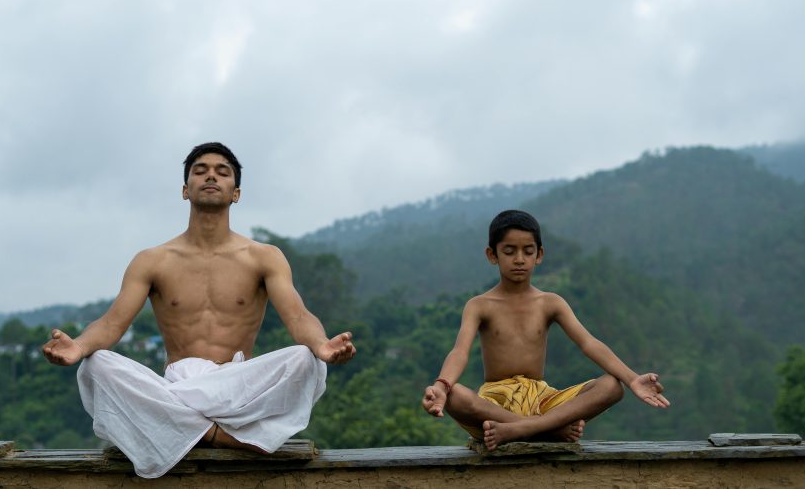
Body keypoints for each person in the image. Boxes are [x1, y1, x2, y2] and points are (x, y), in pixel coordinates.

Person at [43, 142, 356, 478]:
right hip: (177, 388)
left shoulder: (263, 256)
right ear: (184, 189)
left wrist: (321, 345)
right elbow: (111, 325)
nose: (210, 176)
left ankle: (180, 432)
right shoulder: (153, 260)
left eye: (222, 172)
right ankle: (215, 435)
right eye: (200, 170)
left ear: (235, 193)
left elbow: (297, 317)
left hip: (237, 390)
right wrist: (78, 346)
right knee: (94, 366)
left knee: (306, 360)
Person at [421, 210, 668, 450]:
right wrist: (441, 386)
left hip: (542, 400)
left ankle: (523, 428)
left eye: (527, 251)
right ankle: (547, 430)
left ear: (539, 255)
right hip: (495, 406)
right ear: (492, 255)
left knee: (613, 386)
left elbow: (588, 343)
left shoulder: (550, 302)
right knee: (455, 396)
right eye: (509, 251)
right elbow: (459, 352)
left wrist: (632, 378)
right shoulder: (479, 305)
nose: (519, 259)